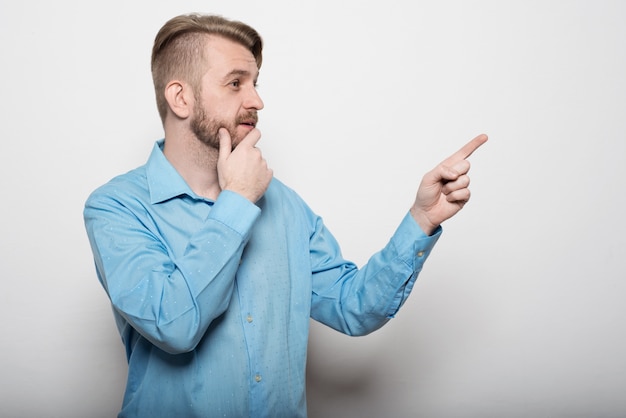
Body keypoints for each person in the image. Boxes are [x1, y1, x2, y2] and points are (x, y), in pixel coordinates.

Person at [83, 12, 487, 418]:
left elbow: (353, 306)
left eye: (256, 83)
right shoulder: (116, 208)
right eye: (236, 82)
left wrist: (421, 218)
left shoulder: (284, 205)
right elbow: (173, 325)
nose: (257, 100)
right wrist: (237, 203)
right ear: (180, 98)